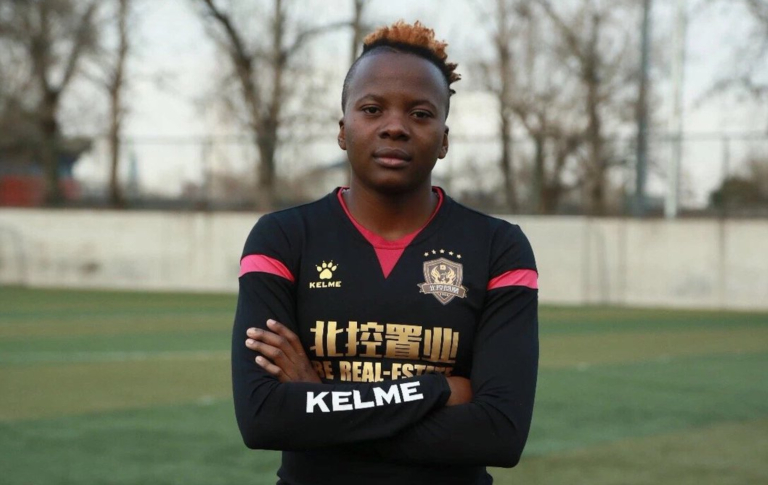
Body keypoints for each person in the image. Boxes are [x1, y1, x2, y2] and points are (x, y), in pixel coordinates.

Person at [232, 20, 539, 485]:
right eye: (372, 109)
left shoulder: (499, 247)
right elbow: (263, 419)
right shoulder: (283, 238)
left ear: (444, 139)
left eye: (420, 113)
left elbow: (499, 435)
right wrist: (435, 390)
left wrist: (319, 399)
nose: (395, 127)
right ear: (343, 130)